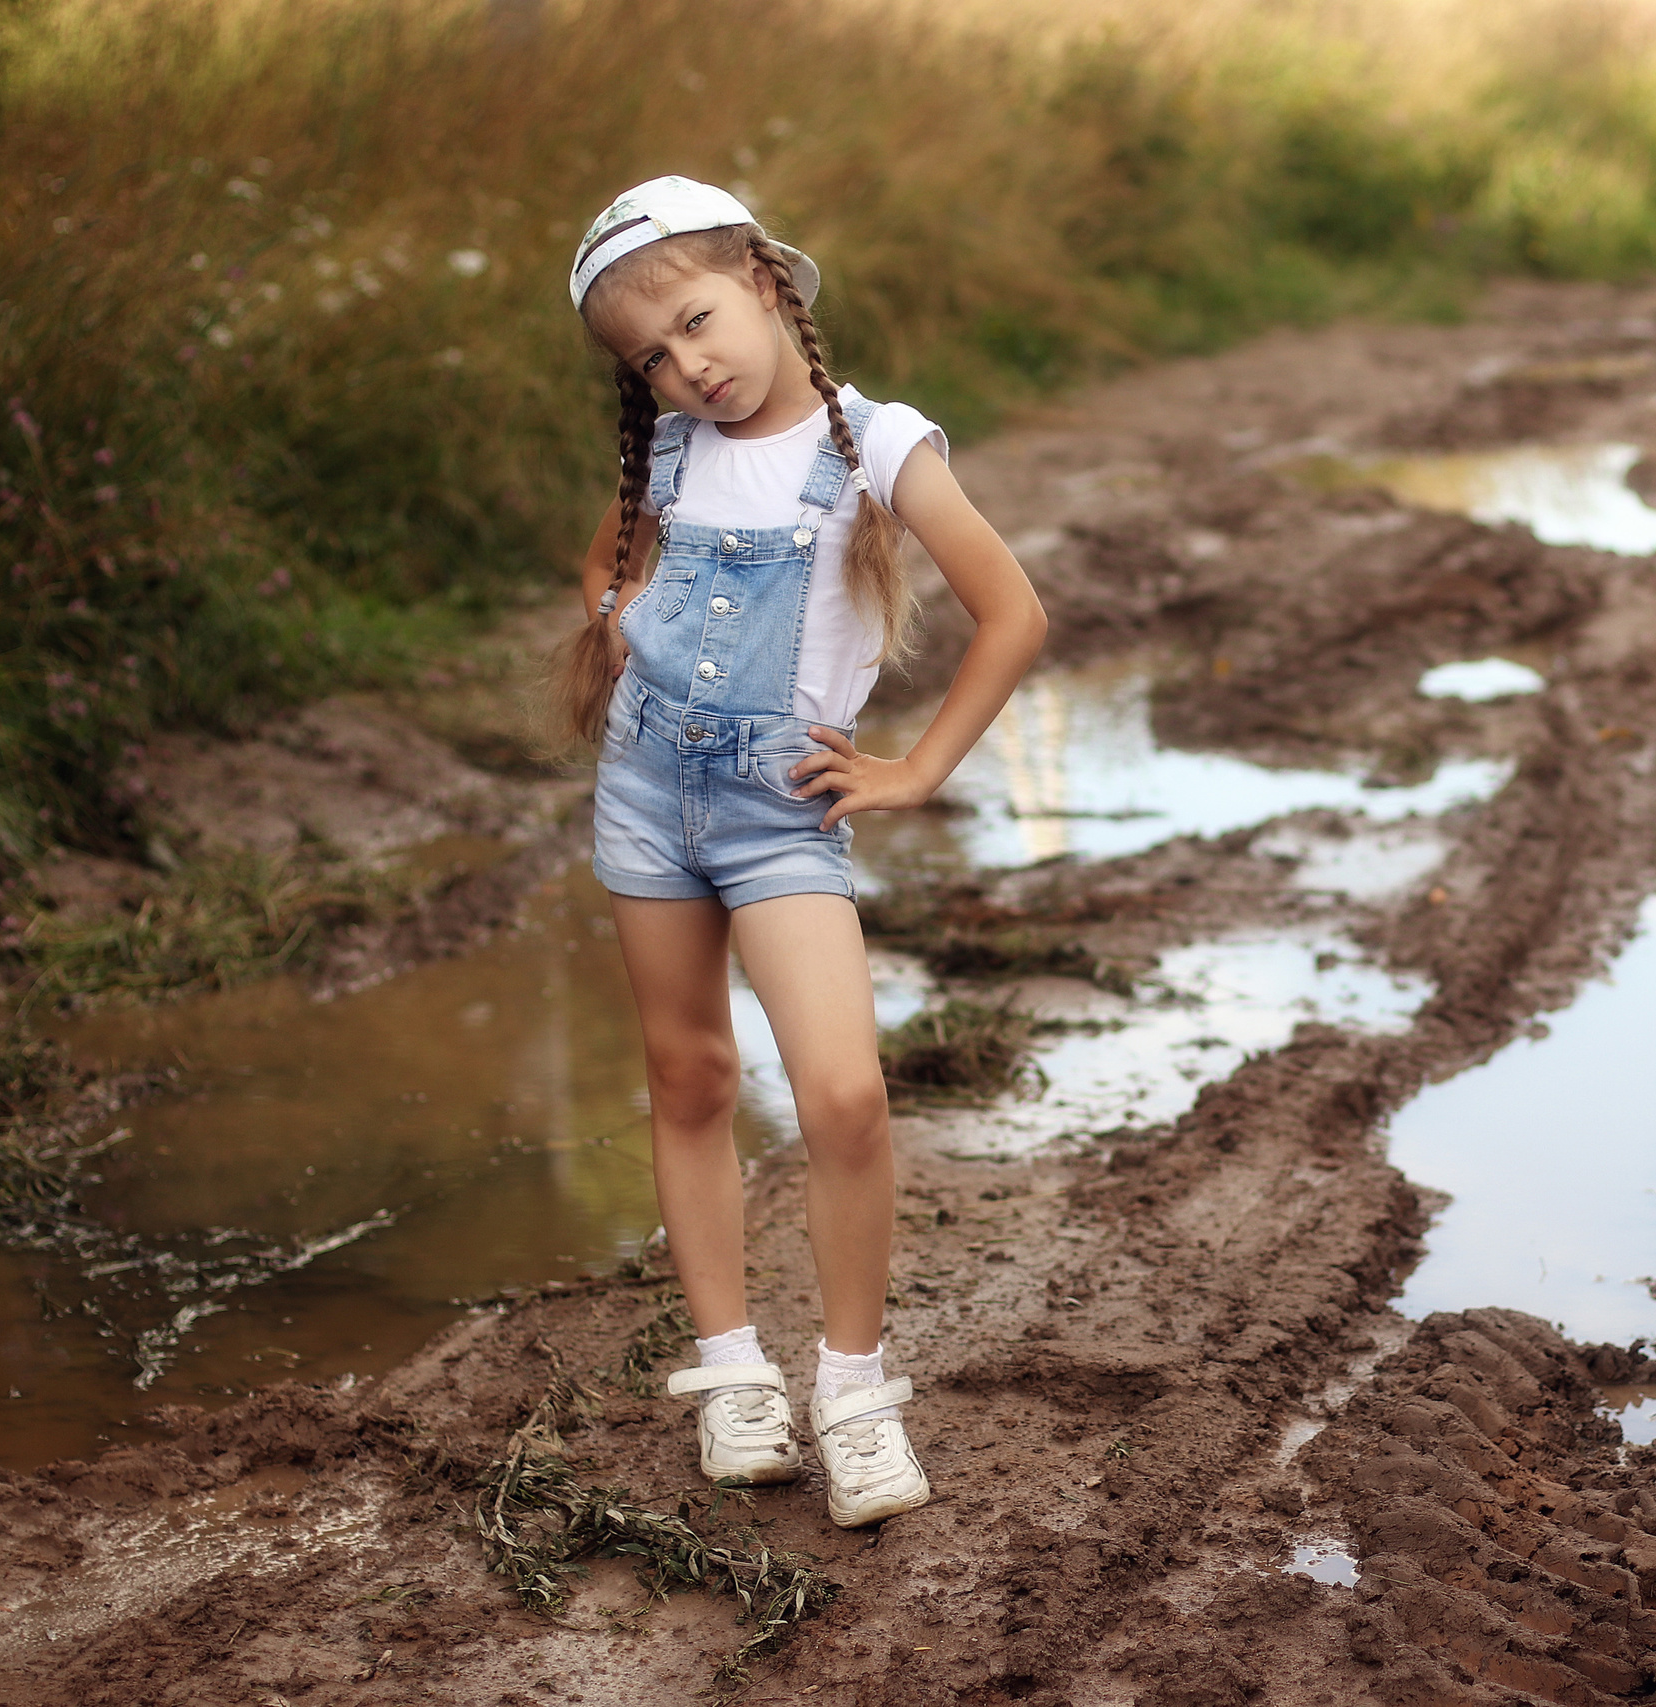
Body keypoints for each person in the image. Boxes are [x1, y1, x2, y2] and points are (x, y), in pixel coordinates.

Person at [554, 176, 1045, 1527]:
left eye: (698, 322)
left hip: (784, 813)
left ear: (769, 281)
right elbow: (597, 566)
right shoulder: (663, 455)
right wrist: (625, 621)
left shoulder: (876, 445)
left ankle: (854, 1390)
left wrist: (917, 768)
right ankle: (731, 1378)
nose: (687, 365)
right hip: (648, 795)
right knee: (691, 1073)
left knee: (842, 1096)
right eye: (651, 356)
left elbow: (1013, 611)